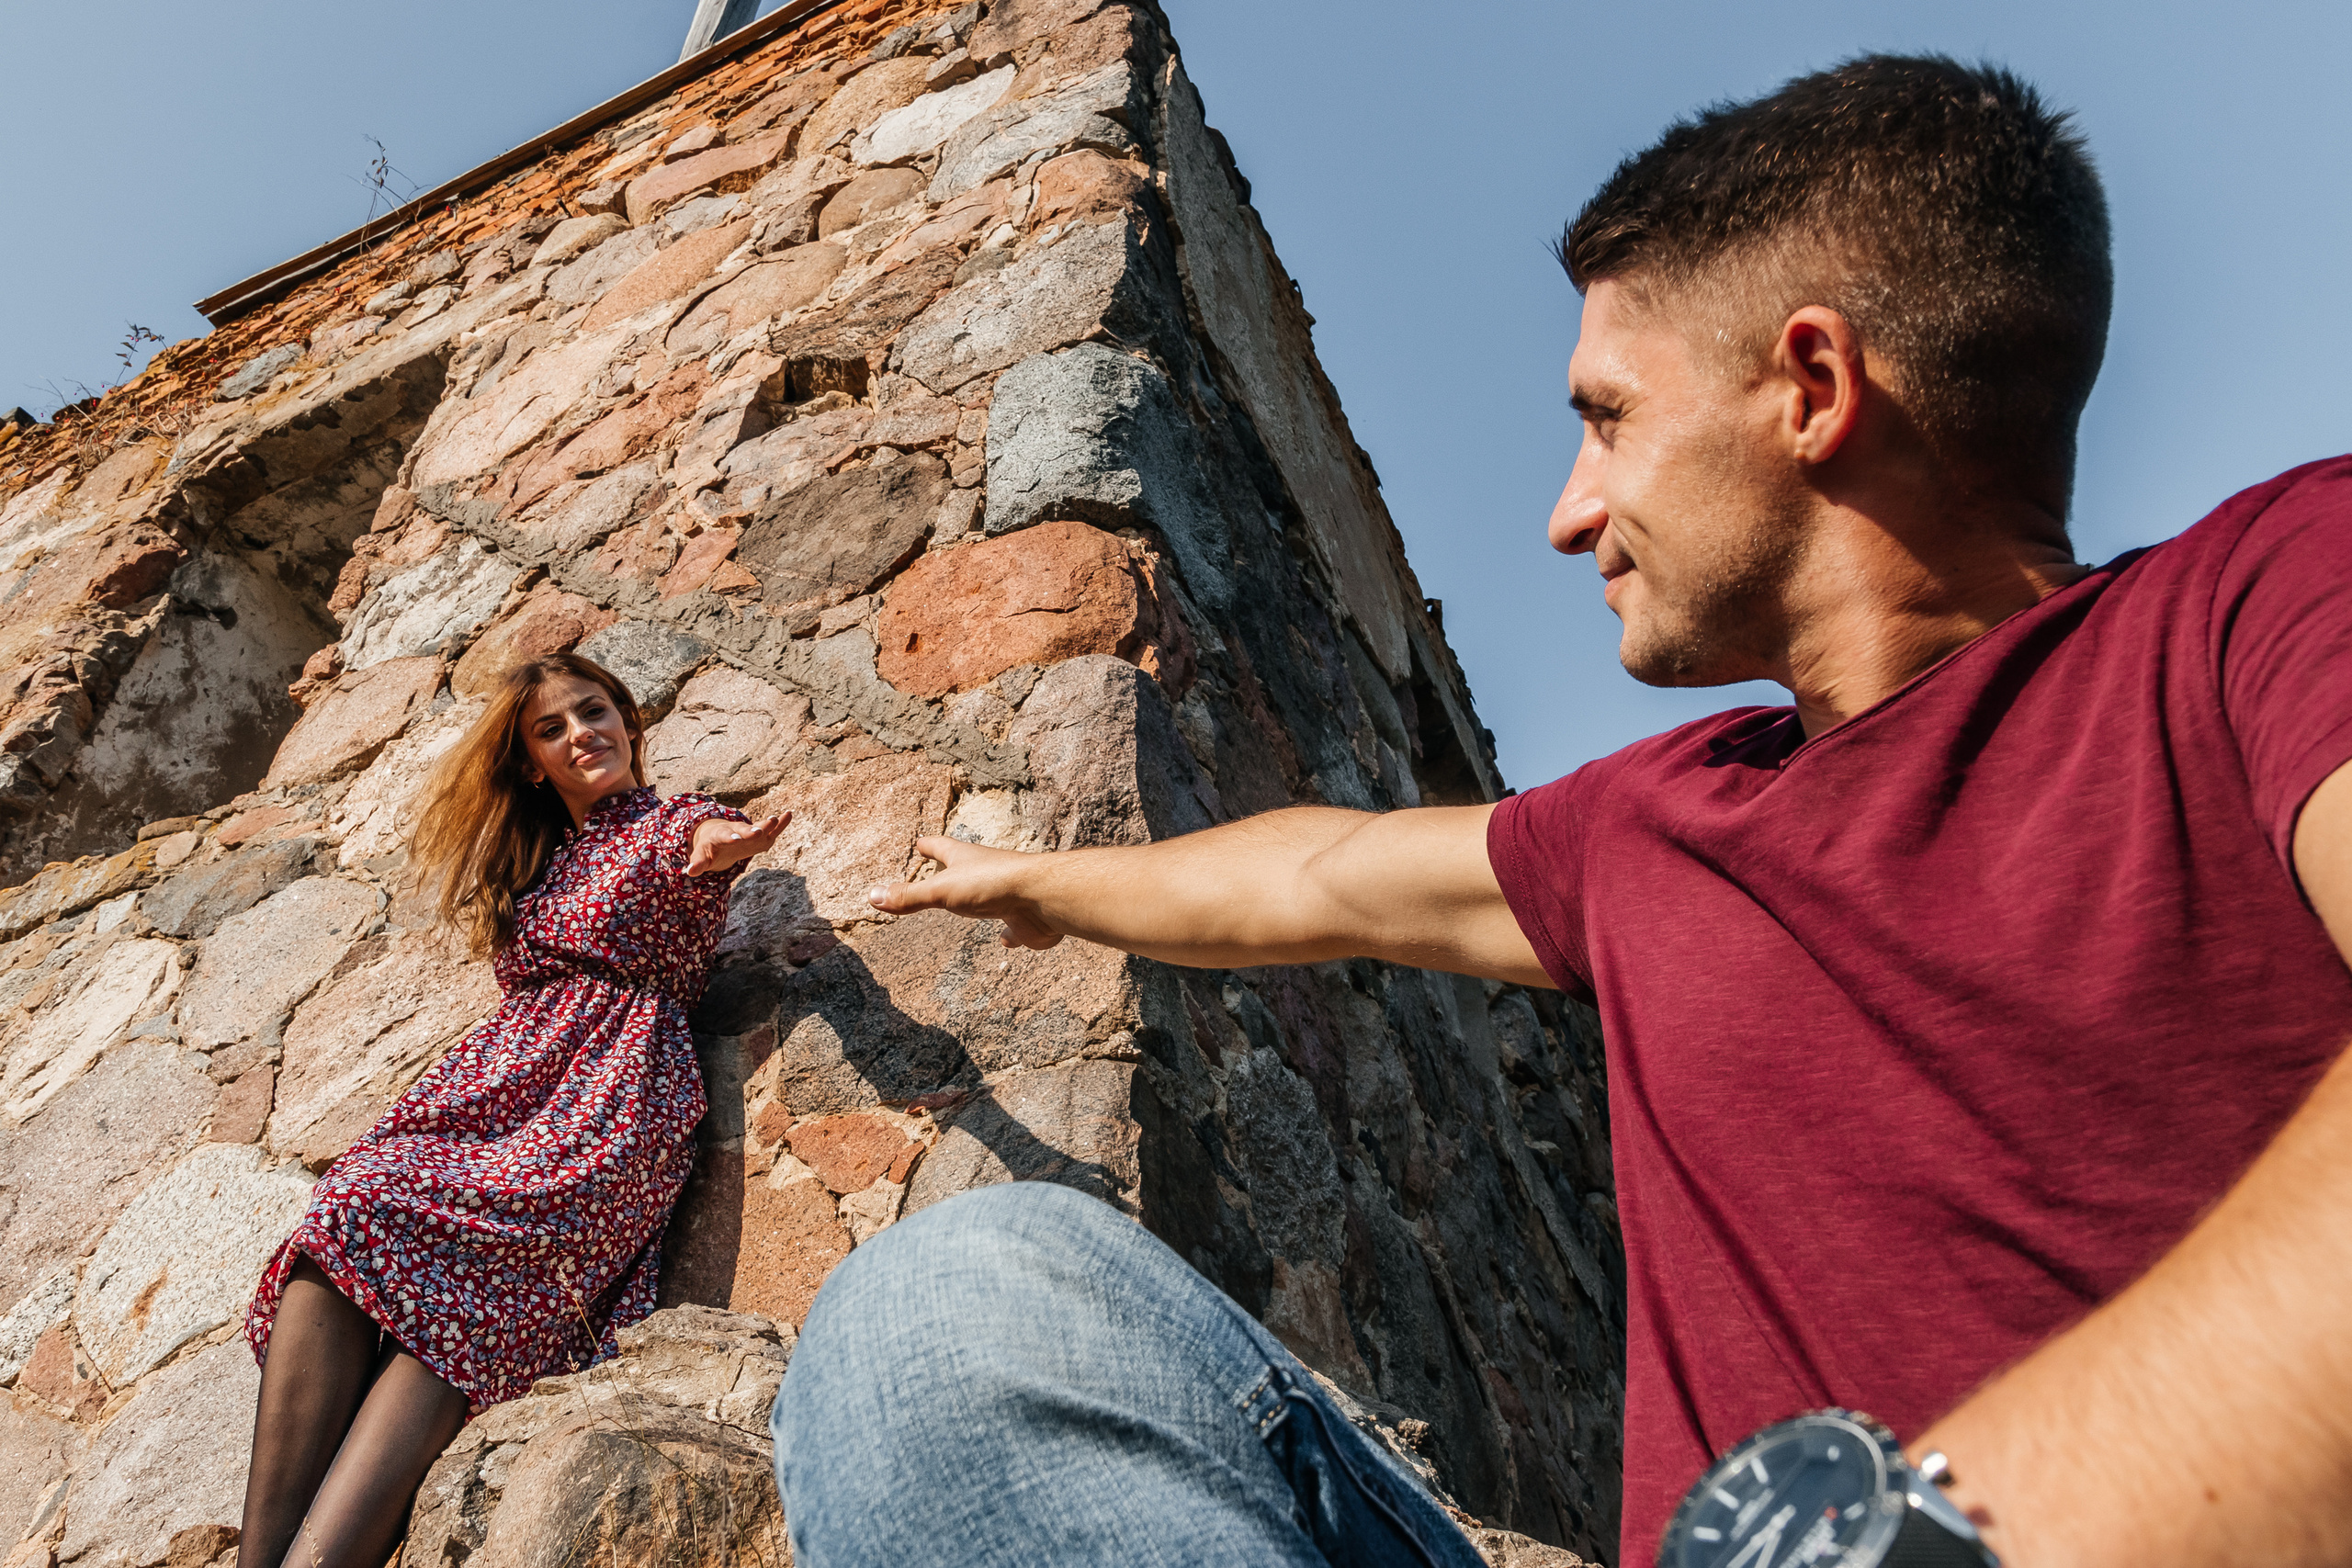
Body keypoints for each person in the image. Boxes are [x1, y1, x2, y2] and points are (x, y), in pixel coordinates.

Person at [768, 53, 2352, 1568]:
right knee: (952, 1308)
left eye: (1607, 417)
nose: (1567, 512)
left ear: (1810, 385)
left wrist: (1937, 1532)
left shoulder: (2266, 599)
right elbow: (1316, 872)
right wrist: (1037, 882)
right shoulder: (1652, 823)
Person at [235, 653, 785, 1568]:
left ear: (628, 720)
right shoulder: (544, 865)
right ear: (532, 762)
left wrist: (735, 843)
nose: (583, 733)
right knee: (344, 1225)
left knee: (461, 1293)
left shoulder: (670, 819)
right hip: (497, 1096)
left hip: (606, 1099)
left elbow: (707, 843)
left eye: (596, 710)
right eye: (554, 728)